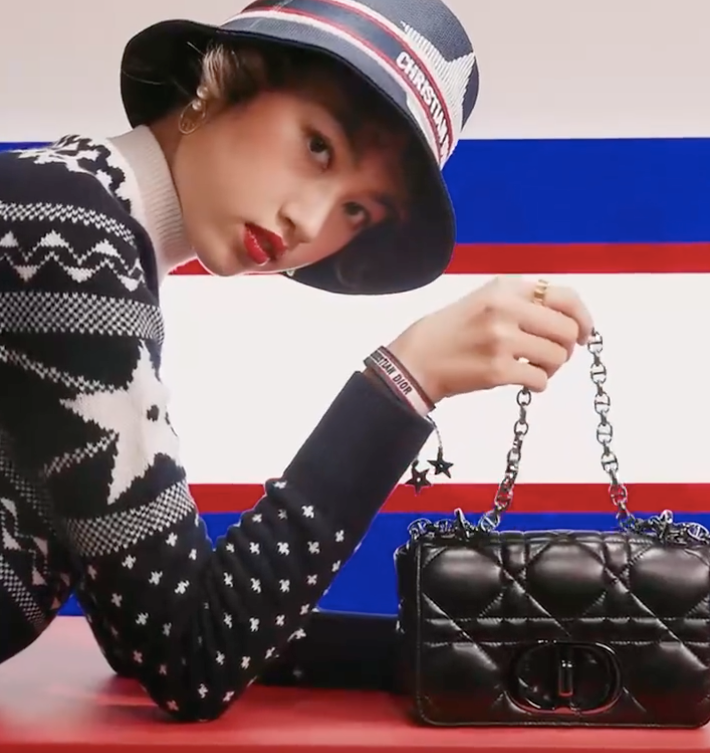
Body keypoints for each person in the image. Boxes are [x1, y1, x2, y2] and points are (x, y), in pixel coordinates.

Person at [0, 0, 593, 723]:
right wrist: (408, 379)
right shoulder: (70, 238)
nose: (309, 223)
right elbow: (190, 657)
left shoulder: (77, 214)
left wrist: (451, 650)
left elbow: (144, 618)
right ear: (222, 77)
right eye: (318, 146)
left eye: (358, 212)